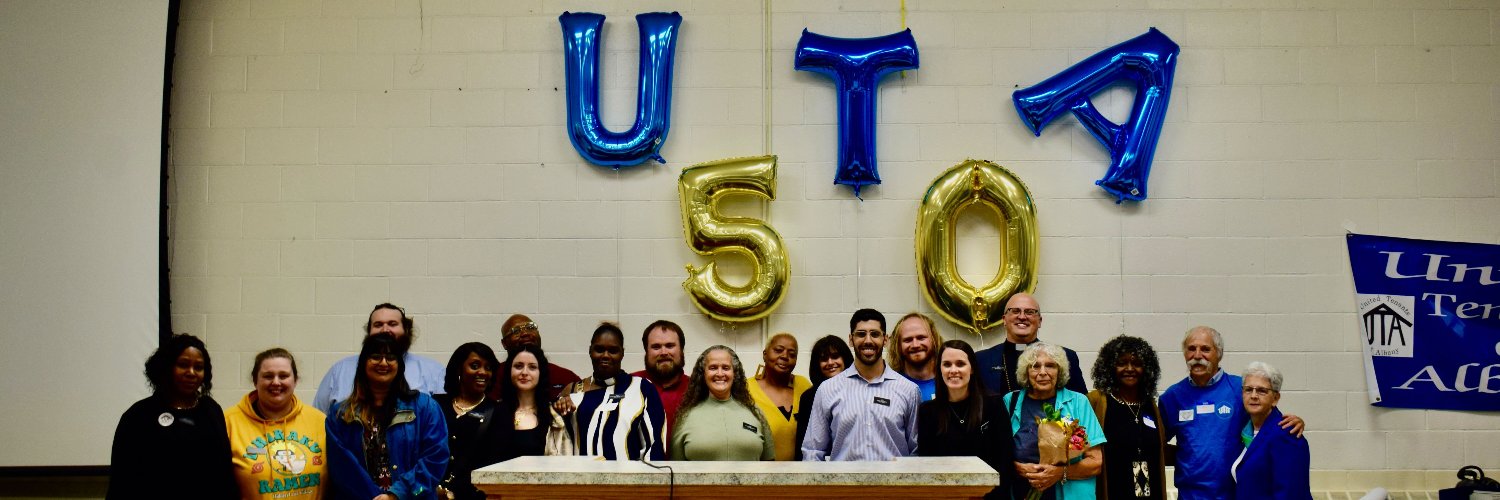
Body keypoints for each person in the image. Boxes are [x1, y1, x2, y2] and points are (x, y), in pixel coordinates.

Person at [1160, 326, 1304, 500]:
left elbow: (1269, 425)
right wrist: (1189, 457)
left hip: (1234, 494)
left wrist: (1295, 422)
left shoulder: (1240, 389)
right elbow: (1157, 445)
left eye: (1205, 349)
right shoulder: (1172, 397)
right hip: (1190, 495)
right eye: (1191, 349)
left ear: (1219, 354)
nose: (1197, 356)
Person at [108, 334, 235, 500]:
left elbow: (224, 473)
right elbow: (122, 482)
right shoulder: (139, 415)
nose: (191, 373)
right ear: (166, 367)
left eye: (198, 367)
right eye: (183, 365)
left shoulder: (211, 410)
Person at [326, 334, 448, 500]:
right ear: (363, 363)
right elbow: (341, 467)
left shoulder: (426, 407)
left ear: (399, 365)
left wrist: (396, 495)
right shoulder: (340, 414)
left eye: (391, 358)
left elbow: (436, 458)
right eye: (376, 357)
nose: (383, 363)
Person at [801, 308, 920, 461]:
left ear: (885, 340)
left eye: (875, 334)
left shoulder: (908, 390)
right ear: (851, 339)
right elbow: (813, 451)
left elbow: (916, 451)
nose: (868, 340)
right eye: (861, 334)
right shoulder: (827, 389)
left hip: (893, 484)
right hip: (843, 484)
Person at [1003, 342, 1105, 500]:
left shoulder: (1079, 402)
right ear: (1026, 372)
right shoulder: (1010, 401)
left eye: (1050, 366)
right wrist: (1017, 468)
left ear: (1059, 371)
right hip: (1020, 492)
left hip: (1069, 494)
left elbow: (1095, 463)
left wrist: (1059, 473)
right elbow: (997, 455)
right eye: (1035, 366)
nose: (1043, 372)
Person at [917, 340, 1014, 499]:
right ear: (939, 369)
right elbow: (927, 466)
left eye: (960, 364)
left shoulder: (993, 405)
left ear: (972, 368)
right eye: (947, 364)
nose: (953, 370)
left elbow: (1005, 461)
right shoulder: (928, 412)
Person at [226, 348, 327, 500]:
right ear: (255, 381)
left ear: (295, 380)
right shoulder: (229, 422)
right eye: (268, 376)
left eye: (284, 376)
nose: (276, 382)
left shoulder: (319, 421)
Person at [560, 322, 666, 460]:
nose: (605, 355)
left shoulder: (642, 388)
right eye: (599, 349)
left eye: (613, 350)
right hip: (581, 479)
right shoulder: (572, 390)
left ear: (622, 353)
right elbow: (558, 441)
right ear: (590, 351)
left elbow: (654, 446)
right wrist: (558, 408)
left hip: (627, 479)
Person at [314, 303, 445, 414]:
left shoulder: (434, 371)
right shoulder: (340, 370)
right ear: (369, 332)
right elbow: (318, 419)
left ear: (406, 329)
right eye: (378, 325)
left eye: (392, 324)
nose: (385, 329)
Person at [1087, 335, 1166, 500]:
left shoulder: (1150, 405)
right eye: (1121, 363)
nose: (1129, 369)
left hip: (1150, 491)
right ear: (1109, 367)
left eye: (1137, 364)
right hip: (1114, 490)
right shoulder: (1096, 401)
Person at [669, 345, 776, 461]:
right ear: (703, 374)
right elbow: (675, 470)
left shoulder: (755, 413)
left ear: (735, 373)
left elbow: (769, 463)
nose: (720, 374)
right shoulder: (685, 417)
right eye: (713, 368)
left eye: (725, 368)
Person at [975, 293, 1087, 396]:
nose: (1022, 317)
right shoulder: (981, 359)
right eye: (1015, 311)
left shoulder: (1066, 356)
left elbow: (1080, 404)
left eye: (1030, 312)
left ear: (1040, 321)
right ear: (1004, 320)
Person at [432, 342, 503, 500]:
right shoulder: (435, 405)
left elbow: (494, 463)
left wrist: (452, 493)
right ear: (458, 369)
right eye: (475, 365)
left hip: (473, 495)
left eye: (488, 368)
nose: (483, 372)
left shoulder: (498, 412)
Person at [1233, 362, 1312, 500]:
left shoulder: (1287, 435)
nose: (1253, 395)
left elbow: (1291, 495)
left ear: (1275, 398)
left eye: (1262, 391)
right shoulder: (1246, 429)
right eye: (1248, 389)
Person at [746, 332, 812, 460]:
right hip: (761, 474)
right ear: (765, 354)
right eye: (778, 350)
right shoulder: (746, 389)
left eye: (792, 354)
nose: (785, 356)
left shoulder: (804, 385)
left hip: (801, 473)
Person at [793, 335, 854, 461]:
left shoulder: (858, 390)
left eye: (835, 356)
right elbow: (804, 445)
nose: (830, 363)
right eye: (824, 359)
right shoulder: (809, 397)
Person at [498, 314, 580, 401]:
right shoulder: (495, 376)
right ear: (504, 344)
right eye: (516, 331)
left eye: (530, 327)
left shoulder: (565, 377)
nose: (525, 333)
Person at [494, 344, 555, 462]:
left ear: (541, 372)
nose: (524, 372)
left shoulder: (554, 413)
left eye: (532, 367)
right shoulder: (495, 412)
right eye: (518, 366)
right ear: (509, 371)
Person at [629, 320, 689, 437]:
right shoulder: (627, 384)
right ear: (646, 352)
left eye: (670, 346)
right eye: (656, 347)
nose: (663, 352)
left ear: (681, 350)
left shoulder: (697, 388)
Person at [889, 312, 944, 402]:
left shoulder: (950, 384)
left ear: (934, 339)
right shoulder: (891, 386)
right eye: (908, 340)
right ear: (898, 345)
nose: (915, 345)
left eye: (921, 338)